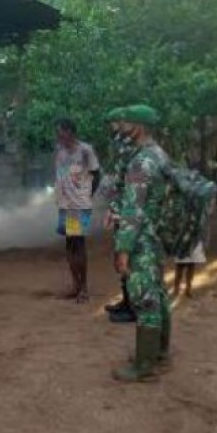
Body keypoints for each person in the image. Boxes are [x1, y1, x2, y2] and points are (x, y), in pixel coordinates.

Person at [111, 105, 173, 382]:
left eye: (126, 121)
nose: (121, 125)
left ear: (139, 126)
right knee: (157, 293)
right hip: (156, 235)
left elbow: (134, 210)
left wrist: (123, 248)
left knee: (144, 298)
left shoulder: (141, 162)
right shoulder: (158, 154)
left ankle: (145, 365)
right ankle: (158, 352)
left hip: (142, 240)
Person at [53, 118, 101, 304]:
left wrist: (87, 195)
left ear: (71, 131)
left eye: (61, 132)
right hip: (65, 204)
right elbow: (58, 174)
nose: (59, 135)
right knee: (70, 245)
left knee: (78, 244)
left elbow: (96, 174)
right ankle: (75, 285)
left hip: (79, 205)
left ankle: (84, 288)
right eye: (58, 132)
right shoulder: (59, 151)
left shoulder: (85, 150)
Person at [100, 107, 137, 318]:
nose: (114, 127)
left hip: (128, 209)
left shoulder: (130, 146)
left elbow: (125, 179)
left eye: (114, 123)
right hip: (119, 207)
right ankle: (126, 301)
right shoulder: (119, 144)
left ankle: (132, 306)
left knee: (127, 257)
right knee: (119, 256)